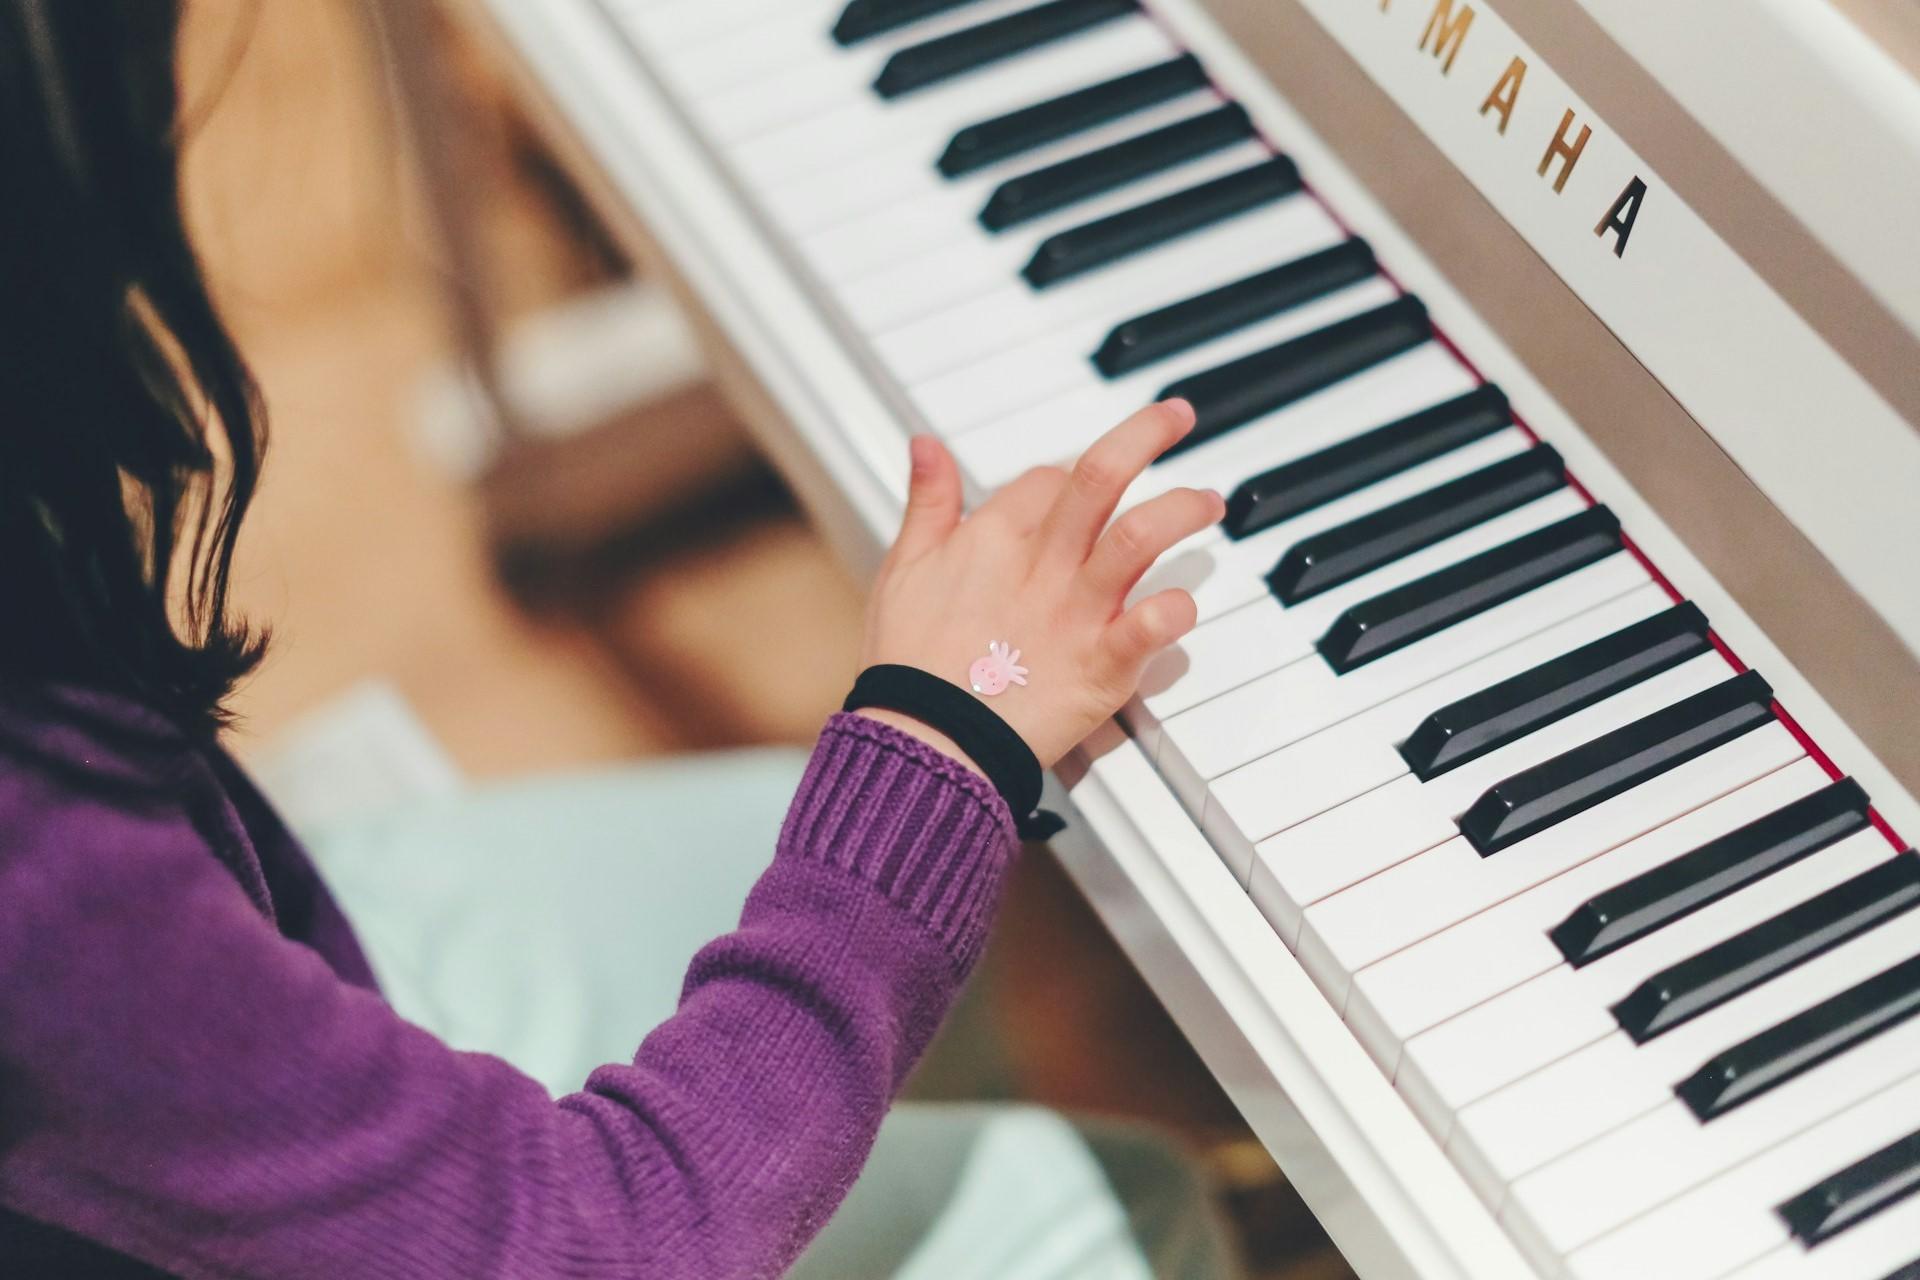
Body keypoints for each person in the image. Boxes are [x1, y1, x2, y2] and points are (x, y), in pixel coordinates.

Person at [0, 2, 1237, 1276]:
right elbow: (604, 1242)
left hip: (239, 958)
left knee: (843, 870)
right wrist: (949, 729)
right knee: (1122, 1201)